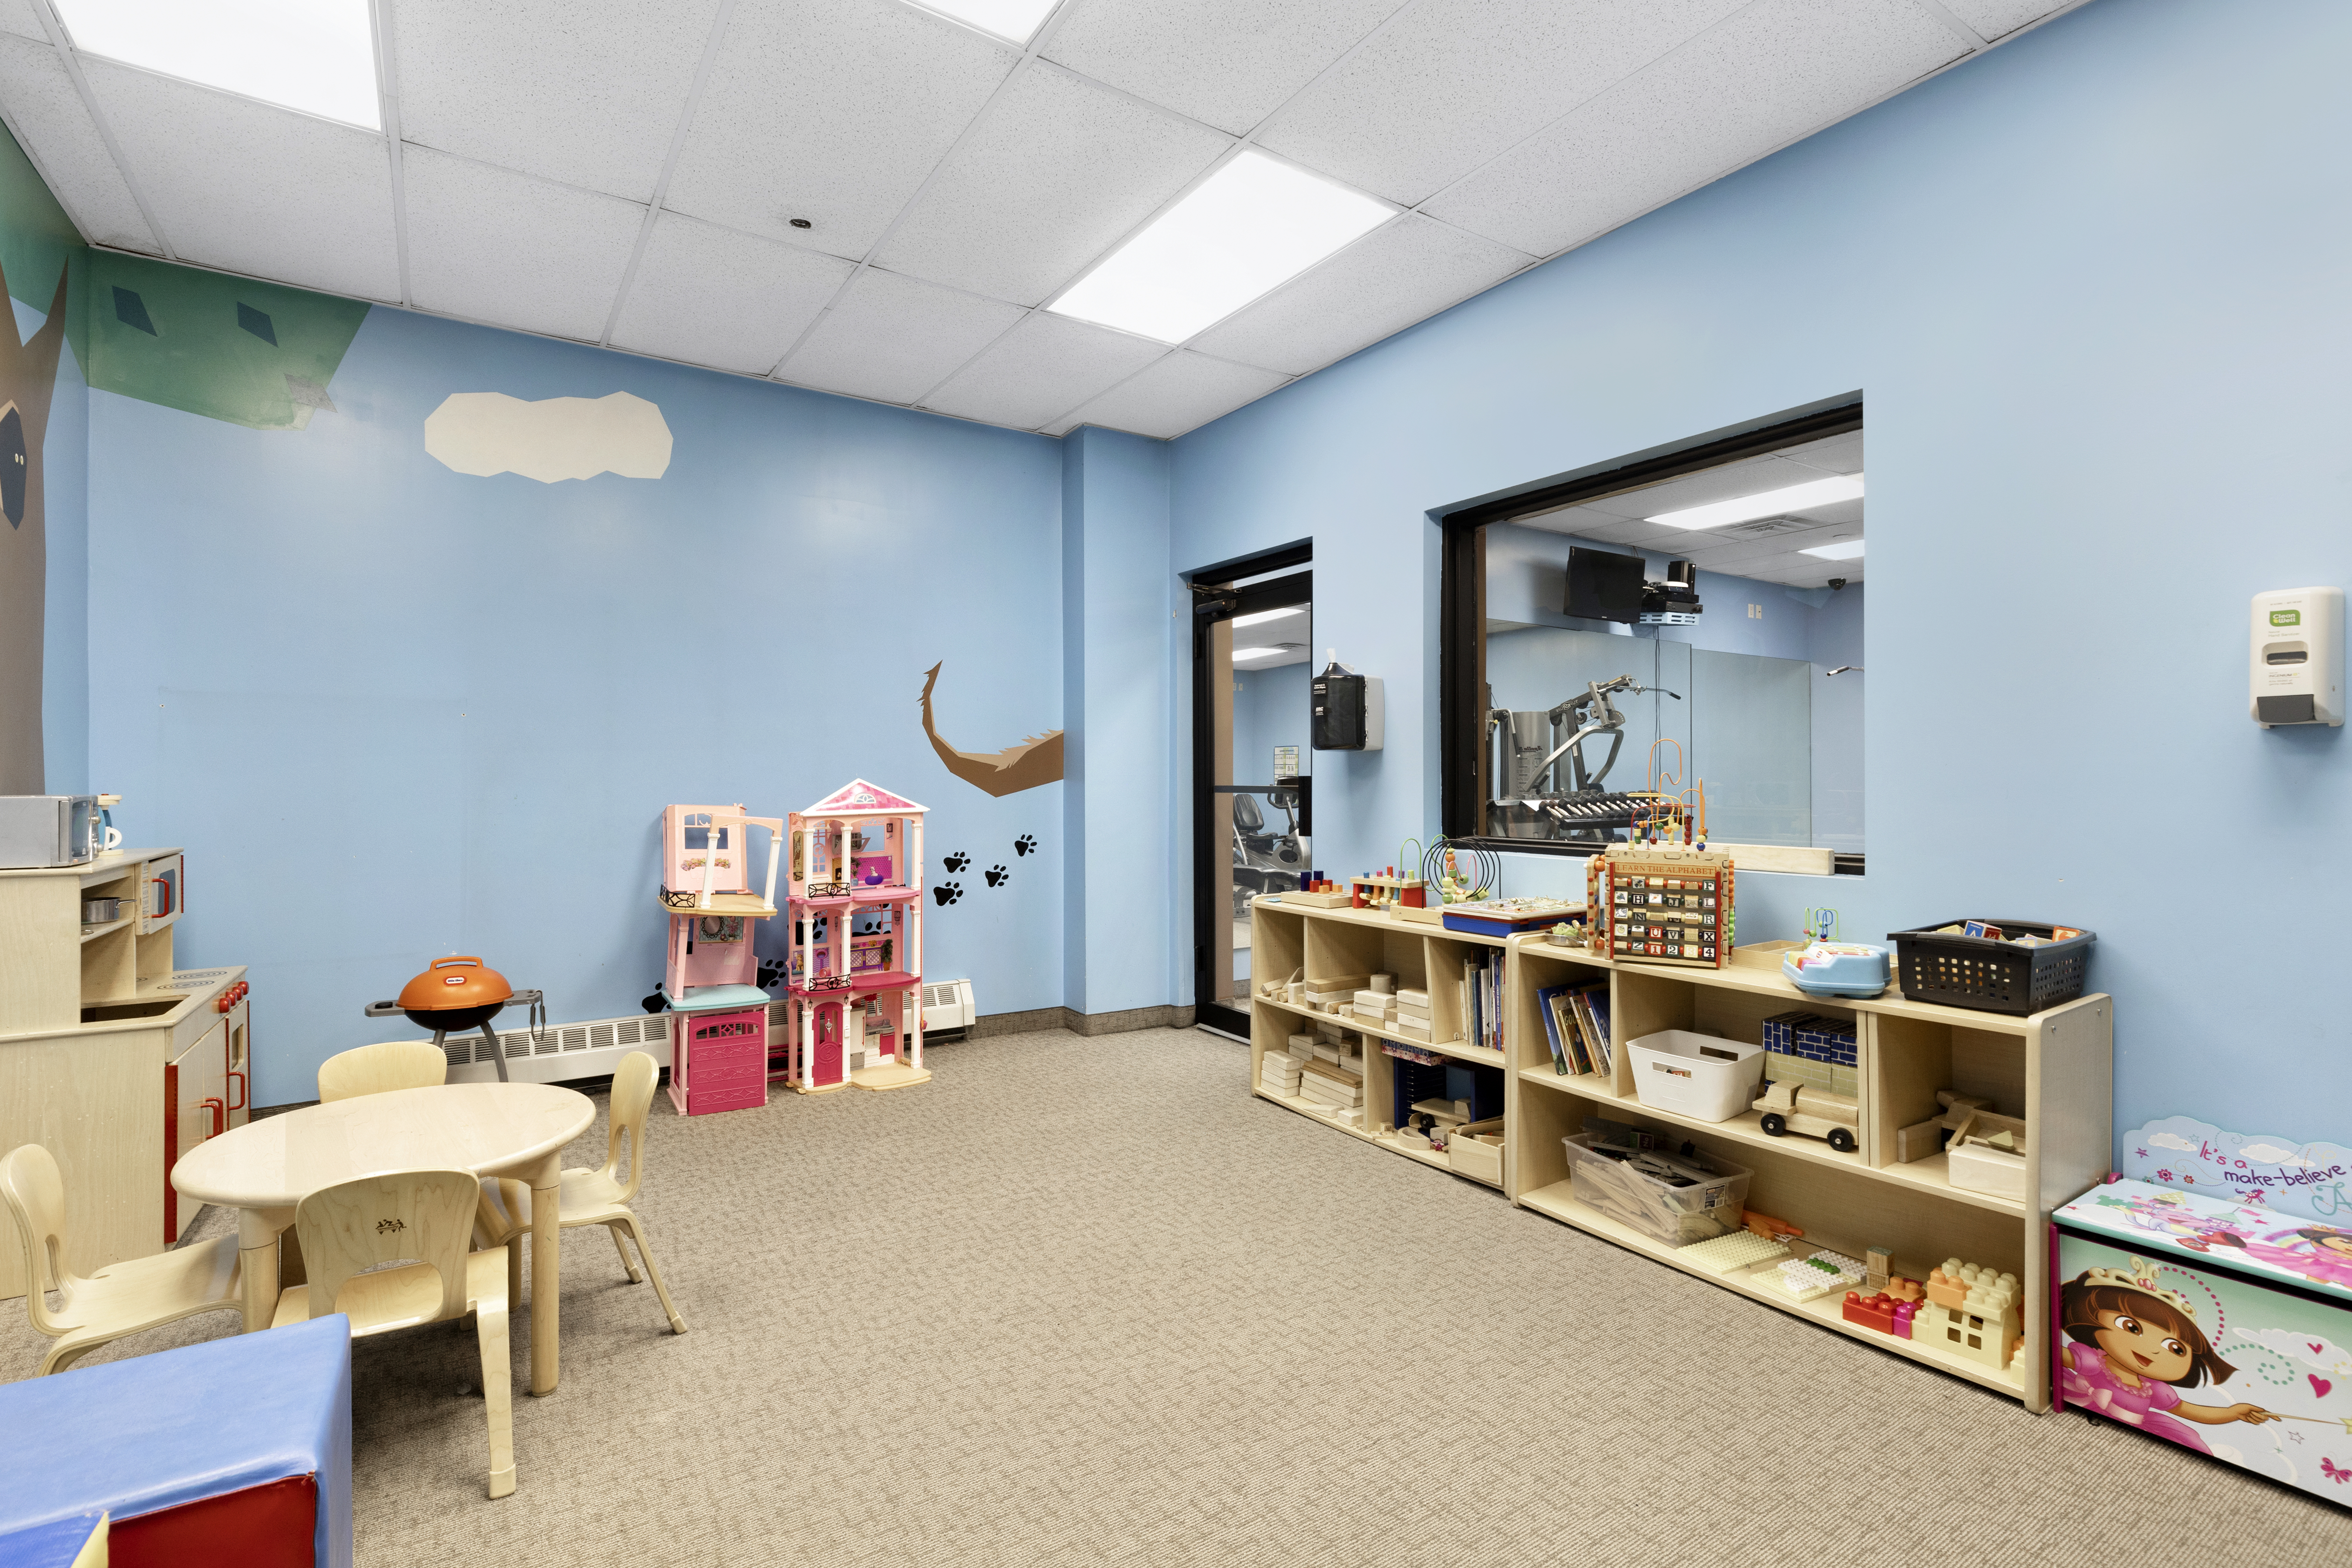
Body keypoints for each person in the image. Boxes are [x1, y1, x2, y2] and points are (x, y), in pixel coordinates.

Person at [2059, 1265, 2279, 1452]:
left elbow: (2190, 1411)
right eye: (2132, 1327)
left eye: (2176, 1349)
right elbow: (2054, 1351)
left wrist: (2232, 1413)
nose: (2154, 1351)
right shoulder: (2094, 1361)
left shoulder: (2154, 1389)